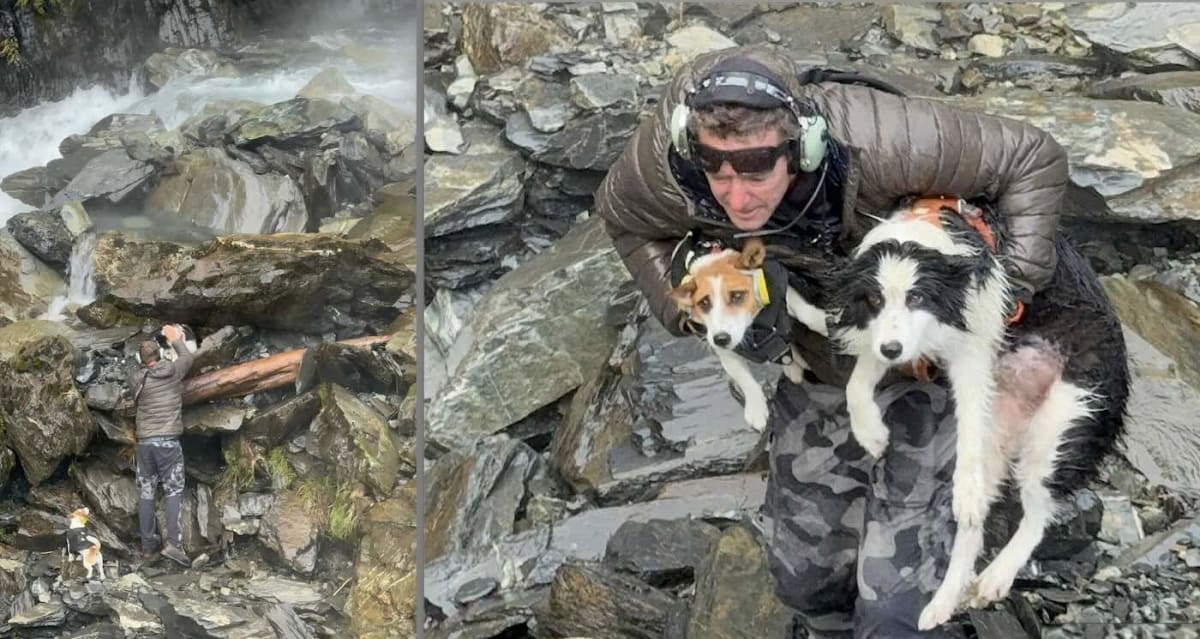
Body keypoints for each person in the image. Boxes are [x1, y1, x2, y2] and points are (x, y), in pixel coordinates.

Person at [594, 45, 1069, 638]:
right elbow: (625, 219)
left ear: (804, 147)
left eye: (756, 171)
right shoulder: (664, 168)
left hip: (931, 367)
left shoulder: (884, 139)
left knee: (898, 608)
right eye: (717, 173)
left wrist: (999, 296)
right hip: (821, 362)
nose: (736, 200)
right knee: (805, 579)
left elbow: (1033, 156)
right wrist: (683, 304)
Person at [128, 324, 195, 567]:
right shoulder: (174, 370)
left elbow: (139, 371)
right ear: (161, 355)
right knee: (173, 491)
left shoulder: (136, 378)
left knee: (146, 492)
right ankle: (174, 546)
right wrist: (176, 339)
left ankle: (148, 549)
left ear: (141, 359)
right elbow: (188, 356)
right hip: (168, 443)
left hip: (145, 444)